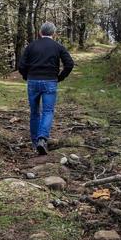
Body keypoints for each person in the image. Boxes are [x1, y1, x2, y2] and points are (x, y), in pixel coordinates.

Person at [16, 22, 74, 155]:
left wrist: (26, 76)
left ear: (40, 32)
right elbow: (69, 64)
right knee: (48, 111)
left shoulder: (31, 46)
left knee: (34, 112)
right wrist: (60, 77)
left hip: (33, 81)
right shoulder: (58, 47)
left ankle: (35, 142)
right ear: (53, 33)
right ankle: (42, 139)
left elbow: (21, 65)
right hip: (50, 81)